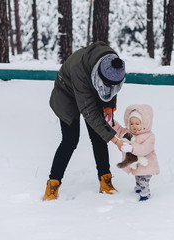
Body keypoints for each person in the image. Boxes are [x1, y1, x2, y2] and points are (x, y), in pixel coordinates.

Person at [43, 41, 126, 201]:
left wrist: (109, 105)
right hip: (66, 94)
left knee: (98, 137)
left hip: (90, 90)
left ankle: (105, 181)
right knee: (70, 140)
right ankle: (53, 184)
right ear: (99, 76)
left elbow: (112, 87)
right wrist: (115, 140)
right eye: (106, 84)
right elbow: (90, 113)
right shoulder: (79, 71)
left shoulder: (111, 63)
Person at [112, 104, 160, 201]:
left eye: (137, 124)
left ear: (144, 124)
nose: (134, 126)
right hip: (137, 165)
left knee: (143, 180)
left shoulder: (149, 136)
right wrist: (110, 122)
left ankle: (145, 193)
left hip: (146, 164)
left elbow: (145, 149)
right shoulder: (127, 132)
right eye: (132, 123)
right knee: (138, 177)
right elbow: (118, 129)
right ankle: (138, 188)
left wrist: (131, 148)